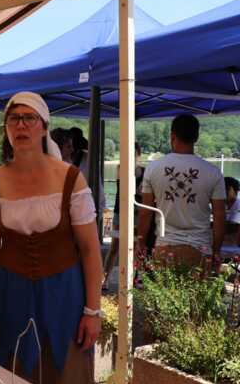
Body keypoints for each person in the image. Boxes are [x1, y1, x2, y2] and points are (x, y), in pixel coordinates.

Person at [0, 92, 103, 384]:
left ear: (44, 127)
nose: (21, 125)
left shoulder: (70, 179)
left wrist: (93, 311)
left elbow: (90, 250)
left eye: (29, 118)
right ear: (6, 128)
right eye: (14, 119)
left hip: (64, 295)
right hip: (12, 295)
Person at [137, 114, 225, 268]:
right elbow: (219, 217)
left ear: (172, 136)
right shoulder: (213, 172)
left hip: (165, 246)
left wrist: (141, 242)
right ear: (196, 137)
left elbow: (146, 212)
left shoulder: (153, 168)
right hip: (201, 249)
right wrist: (216, 251)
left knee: (163, 285)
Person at [102, 142, 155, 291]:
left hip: (137, 213)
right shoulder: (121, 168)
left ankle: (135, 278)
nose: (131, 156)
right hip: (120, 212)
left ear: (138, 154)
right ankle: (104, 279)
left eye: (133, 153)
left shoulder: (144, 171)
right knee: (115, 245)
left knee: (136, 245)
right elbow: (125, 186)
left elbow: (145, 193)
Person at [224, 176, 240, 246]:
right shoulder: (221, 206)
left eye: (227, 189)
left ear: (236, 191)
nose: (224, 191)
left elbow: (233, 227)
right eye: (222, 189)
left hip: (235, 246)